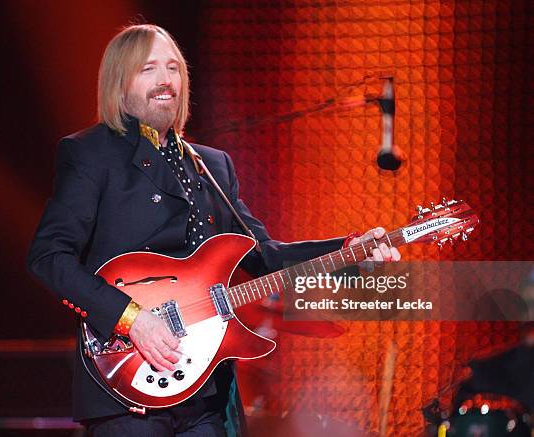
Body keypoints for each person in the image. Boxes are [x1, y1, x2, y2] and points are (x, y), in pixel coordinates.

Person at [27, 24, 401, 437]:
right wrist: (132, 319)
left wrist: (351, 249)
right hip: (126, 386)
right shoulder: (90, 153)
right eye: (148, 69)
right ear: (119, 82)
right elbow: (48, 257)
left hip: (205, 393)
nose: (165, 80)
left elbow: (266, 256)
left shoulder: (212, 165)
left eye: (173, 68)